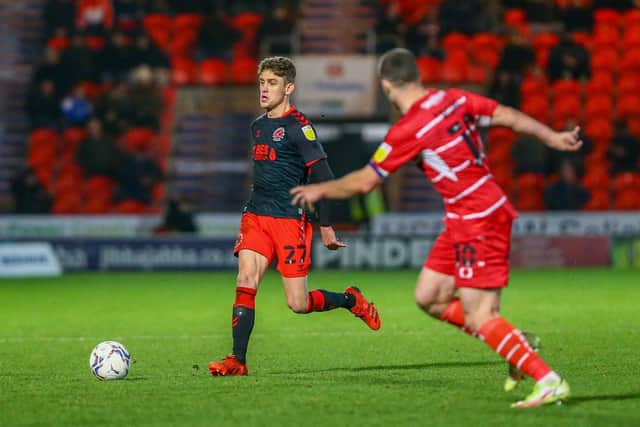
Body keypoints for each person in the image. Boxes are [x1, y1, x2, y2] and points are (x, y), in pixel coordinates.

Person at [291, 48, 582, 408]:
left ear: (386, 86)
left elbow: (366, 181)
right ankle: (510, 340)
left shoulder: (409, 128)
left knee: (481, 314)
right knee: (429, 296)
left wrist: (320, 188)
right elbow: (505, 114)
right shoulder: (454, 97)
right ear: (417, 76)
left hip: (479, 217)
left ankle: (548, 380)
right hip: (465, 216)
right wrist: (551, 136)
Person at [208, 56, 381, 377]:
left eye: (272, 83)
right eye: (262, 82)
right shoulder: (258, 126)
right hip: (256, 215)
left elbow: (324, 177)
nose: (264, 89)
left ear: (289, 88)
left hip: (290, 221)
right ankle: (237, 360)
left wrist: (326, 225)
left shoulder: (299, 128)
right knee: (245, 280)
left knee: (298, 304)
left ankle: (349, 299)